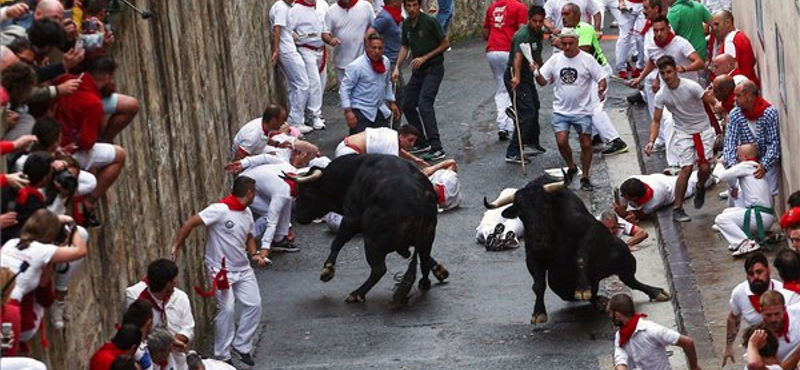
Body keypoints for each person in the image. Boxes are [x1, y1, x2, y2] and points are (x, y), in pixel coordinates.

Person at [171, 177, 266, 366]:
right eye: (254, 191)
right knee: (228, 308)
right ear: (249, 193)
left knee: (254, 305)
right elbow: (191, 222)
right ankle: (222, 353)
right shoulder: (219, 210)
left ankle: (242, 345)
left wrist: (254, 254)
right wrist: (177, 246)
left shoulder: (246, 212)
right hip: (220, 269)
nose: (255, 195)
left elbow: (249, 236)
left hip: (242, 267)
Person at [55, 56, 127, 227]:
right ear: (107, 77)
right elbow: (87, 142)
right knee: (119, 155)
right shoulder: (94, 102)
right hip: (70, 149)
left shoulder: (67, 80)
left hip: (54, 137)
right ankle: (90, 201)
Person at [534, 27, 608, 191]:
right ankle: (571, 165)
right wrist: (535, 71)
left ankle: (586, 176)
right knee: (561, 141)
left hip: (582, 111)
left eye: (571, 43)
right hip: (561, 110)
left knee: (586, 144)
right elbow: (542, 81)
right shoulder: (555, 59)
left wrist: (601, 88)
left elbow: (601, 77)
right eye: (565, 43)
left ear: (577, 42)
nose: (567, 47)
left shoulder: (587, 59)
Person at [643, 55, 714, 222]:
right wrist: (651, 141)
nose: (666, 76)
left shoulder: (691, 87)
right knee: (686, 169)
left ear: (676, 70)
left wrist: (720, 108)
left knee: (704, 168)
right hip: (682, 132)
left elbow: (709, 100)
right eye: (663, 73)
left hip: (703, 130)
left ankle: (700, 186)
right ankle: (678, 208)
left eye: (669, 72)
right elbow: (656, 120)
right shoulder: (661, 95)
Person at [0, 209, 88, 342]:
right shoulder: (44, 250)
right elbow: (81, 251)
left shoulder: (11, 243)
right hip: (12, 312)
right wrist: (72, 225)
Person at [563, 3, 629, 156]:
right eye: (562, 15)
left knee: (594, 108)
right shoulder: (567, 31)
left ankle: (616, 141)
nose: (563, 18)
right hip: (588, 75)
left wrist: (561, 45)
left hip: (599, 73)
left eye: (567, 14)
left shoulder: (584, 29)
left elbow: (583, 53)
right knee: (585, 105)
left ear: (577, 15)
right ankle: (595, 136)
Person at [393, 0, 450, 162]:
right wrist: (397, 67)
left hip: (434, 67)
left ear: (419, 6)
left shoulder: (429, 21)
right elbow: (405, 46)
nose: (411, 9)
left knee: (425, 104)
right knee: (408, 104)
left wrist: (424, 57)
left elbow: (445, 43)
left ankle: (437, 147)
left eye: (414, 6)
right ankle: (421, 141)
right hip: (418, 71)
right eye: (408, 6)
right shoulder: (406, 24)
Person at [125, 259, 194, 369]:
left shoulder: (181, 298)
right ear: (168, 283)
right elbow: (134, 334)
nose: (176, 282)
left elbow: (188, 327)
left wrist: (173, 343)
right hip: (149, 361)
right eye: (173, 280)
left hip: (177, 362)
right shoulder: (136, 298)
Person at [608, 293, 702, 370]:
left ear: (617, 315)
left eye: (610, 313)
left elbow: (687, 342)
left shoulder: (651, 330)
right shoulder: (620, 336)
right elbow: (621, 362)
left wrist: (694, 367)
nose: (610, 317)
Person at [723, 252, 783, 367]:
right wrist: (729, 346)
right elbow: (733, 318)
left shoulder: (782, 291)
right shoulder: (739, 293)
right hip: (757, 353)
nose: (756, 277)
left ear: (768, 270)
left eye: (759, 272)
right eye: (751, 274)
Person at [714, 144, 774, 256]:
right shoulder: (755, 166)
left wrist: (718, 164)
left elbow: (722, 176)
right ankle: (741, 240)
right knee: (727, 212)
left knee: (720, 219)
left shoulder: (746, 165)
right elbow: (732, 178)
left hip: (761, 217)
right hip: (764, 216)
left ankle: (745, 243)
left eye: (739, 155)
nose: (736, 157)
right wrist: (734, 187)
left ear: (746, 157)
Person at [504, 4, 546, 163]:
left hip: (528, 77)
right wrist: (517, 77)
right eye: (534, 21)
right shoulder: (523, 35)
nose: (537, 24)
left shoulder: (539, 33)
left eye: (540, 21)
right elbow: (518, 57)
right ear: (529, 20)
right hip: (516, 76)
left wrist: (542, 70)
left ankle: (531, 142)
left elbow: (537, 55)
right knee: (527, 112)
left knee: (535, 106)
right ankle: (513, 151)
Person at [723, 80, 780, 196]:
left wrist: (764, 165)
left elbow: (773, 144)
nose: (734, 99)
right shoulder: (735, 114)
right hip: (745, 162)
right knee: (741, 196)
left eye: (738, 96)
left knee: (767, 197)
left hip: (766, 163)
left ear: (748, 96)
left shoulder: (769, 113)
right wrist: (734, 168)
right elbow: (730, 143)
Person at [482, 0, 527, 141]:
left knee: (501, 88)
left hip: (492, 50)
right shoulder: (520, 7)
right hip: (509, 51)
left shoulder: (492, 7)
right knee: (513, 88)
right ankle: (511, 125)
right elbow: (522, 32)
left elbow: (485, 32)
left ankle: (502, 125)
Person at [339, 33, 399, 134]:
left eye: (380, 48)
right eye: (373, 48)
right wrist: (348, 112)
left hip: (379, 109)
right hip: (361, 111)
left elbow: (387, 82)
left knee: (382, 144)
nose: (376, 51)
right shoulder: (356, 66)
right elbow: (344, 89)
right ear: (367, 48)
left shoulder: (386, 62)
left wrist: (392, 102)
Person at [270, 0, 313, 133]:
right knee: (303, 84)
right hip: (287, 51)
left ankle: (295, 118)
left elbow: (282, 29)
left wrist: (292, 35)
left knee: (295, 85)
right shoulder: (281, 8)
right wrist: (276, 50)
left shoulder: (282, 7)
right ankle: (296, 120)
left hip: (287, 48)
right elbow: (277, 28)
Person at [288, 0, 327, 130]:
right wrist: (294, 35)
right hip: (306, 48)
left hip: (321, 48)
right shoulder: (295, 9)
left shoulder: (322, 4)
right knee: (313, 82)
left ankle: (313, 112)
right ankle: (315, 114)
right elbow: (288, 29)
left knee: (322, 81)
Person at [367, 0, 404, 123]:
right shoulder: (385, 17)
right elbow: (368, 35)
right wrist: (374, 56)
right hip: (390, 64)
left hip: (395, 62)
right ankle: (391, 131)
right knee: (395, 98)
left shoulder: (395, 15)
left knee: (399, 97)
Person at [323, 0, 375, 84]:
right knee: (344, 94)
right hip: (341, 63)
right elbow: (325, 33)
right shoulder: (331, 11)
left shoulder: (366, 6)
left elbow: (375, 26)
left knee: (363, 92)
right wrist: (330, 40)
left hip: (363, 61)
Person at [334, 125, 427, 166]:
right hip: (348, 154)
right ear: (401, 136)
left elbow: (398, 149)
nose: (412, 144)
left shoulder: (392, 134)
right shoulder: (391, 146)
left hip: (344, 146)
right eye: (410, 140)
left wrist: (414, 159)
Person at [708, 10, 758, 86]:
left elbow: (729, 70)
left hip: (742, 87)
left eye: (717, 24)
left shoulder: (730, 41)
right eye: (713, 25)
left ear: (728, 23)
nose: (714, 28)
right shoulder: (739, 36)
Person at [758, 290, 800, 362]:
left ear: (784, 309)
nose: (773, 319)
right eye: (768, 315)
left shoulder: (798, 311)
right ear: (761, 312)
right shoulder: (759, 338)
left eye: (777, 314)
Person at [613, 0, 645, 79]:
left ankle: (640, 66)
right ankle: (621, 68)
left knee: (641, 37)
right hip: (628, 3)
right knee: (624, 37)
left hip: (645, 4)